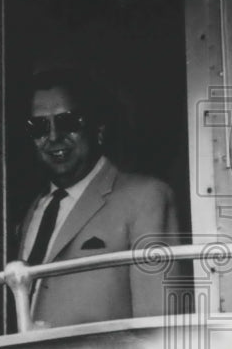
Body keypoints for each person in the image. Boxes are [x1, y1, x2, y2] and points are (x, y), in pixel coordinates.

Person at [15, 68, 180, 327]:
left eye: (69, 122)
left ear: (98, 128)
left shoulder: (146, 198)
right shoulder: (36, 209)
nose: (54, 137)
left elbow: (159, 328)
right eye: (39, 127)